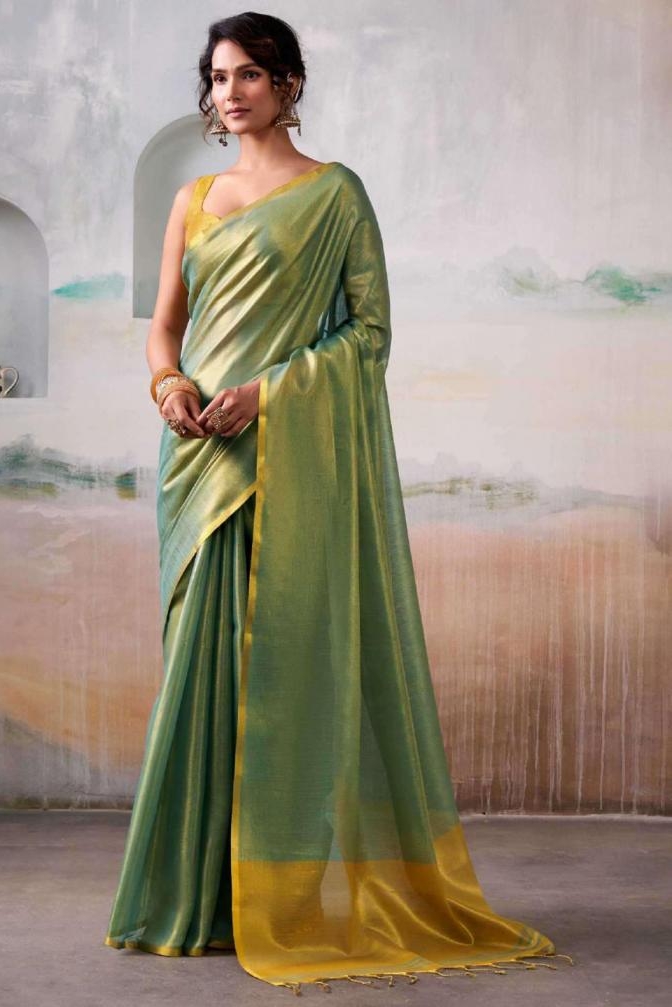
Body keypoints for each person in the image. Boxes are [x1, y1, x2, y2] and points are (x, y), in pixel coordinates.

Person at [103, 10, 570, 993]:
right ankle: (195, 898)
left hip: (284, 455)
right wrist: (169, 385)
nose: (231, 92)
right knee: (198, 670)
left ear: (288, 84)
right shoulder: (193, 198)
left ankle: (272, 897)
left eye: (250, 74)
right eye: (218, 77)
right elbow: (164, 326)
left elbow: (369, 334)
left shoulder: (335, 194)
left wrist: (267, 393)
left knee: (281, 667)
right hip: (198, 461)